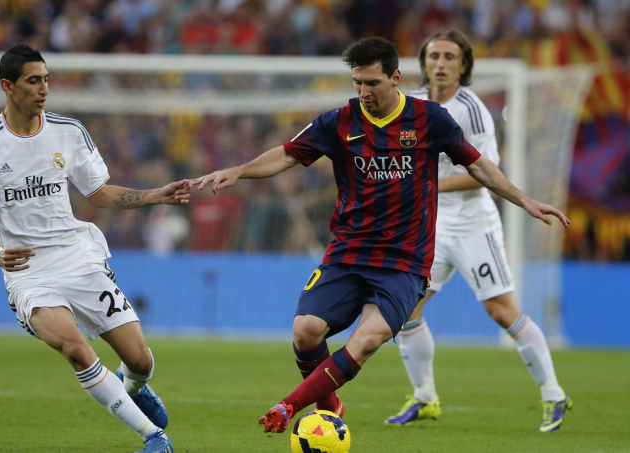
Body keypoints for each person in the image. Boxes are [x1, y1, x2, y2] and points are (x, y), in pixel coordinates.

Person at [195, 37, 570, 434]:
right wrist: (238, 171)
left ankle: (289, 406)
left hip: (404, 260)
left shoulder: (430, 118)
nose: (363, 92)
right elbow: (289, 153)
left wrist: (524, 200)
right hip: (349, 251)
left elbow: (477, 165)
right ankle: (331, 405)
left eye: (372, 83)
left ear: (395, 78)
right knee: (305, 332)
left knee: (369, 338)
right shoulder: (339, 120)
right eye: (357, 83)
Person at [0, 44, 187, 453]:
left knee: (139, 360)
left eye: (46, 79)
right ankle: (154, 438)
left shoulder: (69, 131)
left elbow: (100, 193)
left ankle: (135, 386)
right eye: (33, 81)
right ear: (7, 87)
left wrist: (157, 195)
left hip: (78, 257)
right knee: (76, 350)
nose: (44, 88)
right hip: (29, 272)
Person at [384, 30, 572, 433]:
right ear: (423, 61)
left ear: (464, 65)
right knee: (405, 309)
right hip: (429, 227)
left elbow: (483, 173)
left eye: (450, 57)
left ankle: (554, 394)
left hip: (473, 225)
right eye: (434, 55)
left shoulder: (472, 110)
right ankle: (424, 396)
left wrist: (426, 183)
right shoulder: (408, 104)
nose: (440, 63)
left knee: (502, 311)